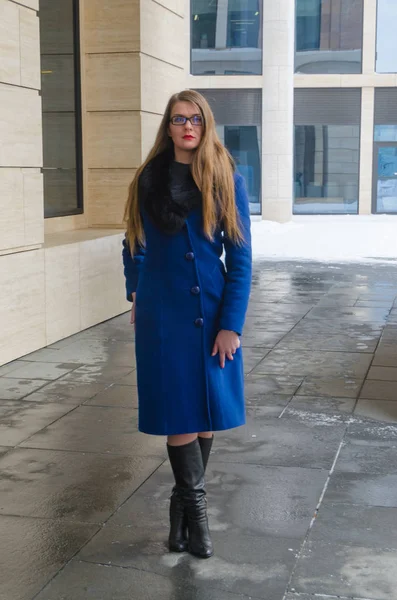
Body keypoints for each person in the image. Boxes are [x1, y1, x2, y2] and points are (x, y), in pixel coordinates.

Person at [122, 90, 252, 559]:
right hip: (162, 314)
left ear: (205, 123)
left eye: (195, 118)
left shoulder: (226, 179)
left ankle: (179, 520)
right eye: (178, 119)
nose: (187, 127)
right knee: (179, 412)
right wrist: (136, 287)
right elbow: (132, 241)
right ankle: (198, 519)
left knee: (206, 412)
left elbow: (240, 259)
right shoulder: (148, 179)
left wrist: (231, 325)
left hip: (212, 310)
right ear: (169, 126)